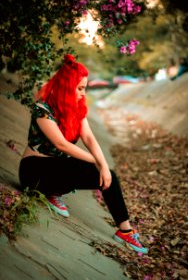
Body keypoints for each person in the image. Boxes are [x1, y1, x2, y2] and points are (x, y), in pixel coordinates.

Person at [19, 54, 148, 254]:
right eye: (80, 88)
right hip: (33, 171)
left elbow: (89, 138)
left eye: (84, 88)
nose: (82, 93)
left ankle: (125, 231)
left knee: (108, 175)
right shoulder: (42, 109)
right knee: (82, 165)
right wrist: (97, 163)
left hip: (56, 169)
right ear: (66, 86)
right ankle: (50, 192)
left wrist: (103, 166)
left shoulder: (76, 110)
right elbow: (62, 145)